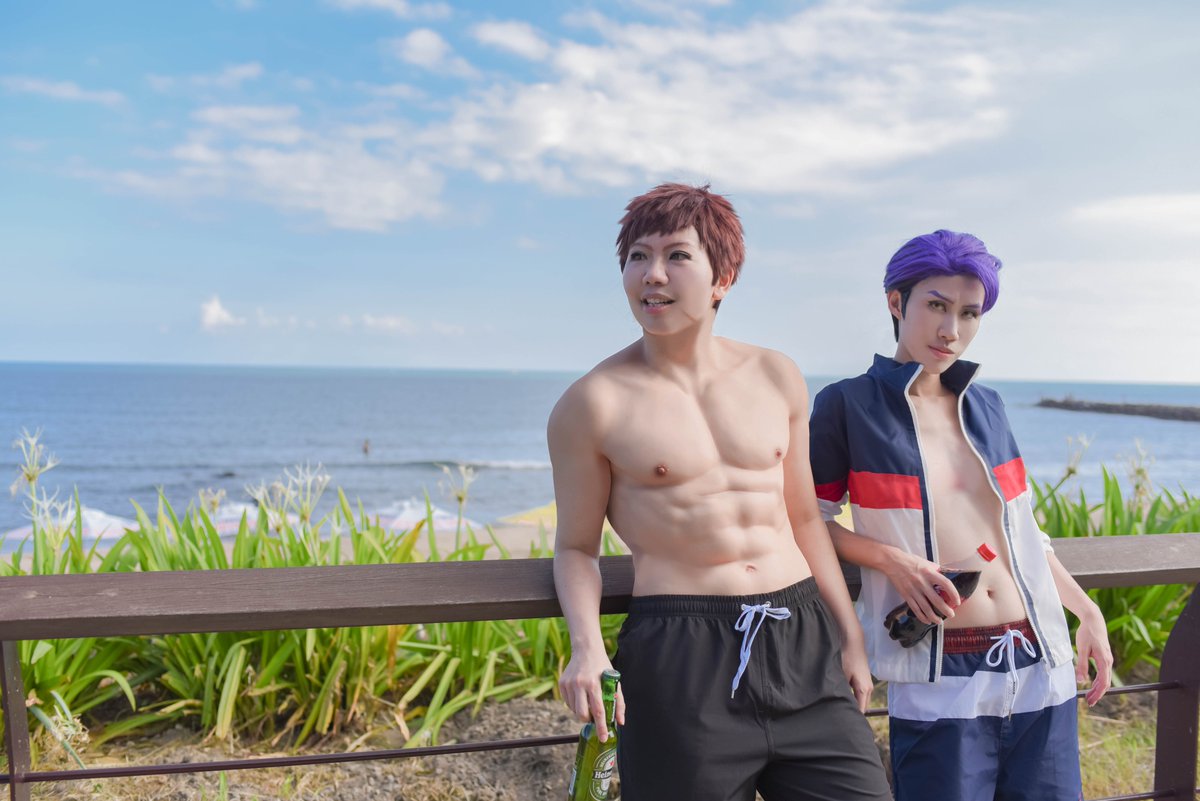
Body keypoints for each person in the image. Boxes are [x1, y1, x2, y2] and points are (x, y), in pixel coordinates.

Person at [550, 183, 891, 801]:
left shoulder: (776, 374)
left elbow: (803, 519)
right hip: (680, 654)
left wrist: (850, 637)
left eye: (677, 255)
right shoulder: (592, 404)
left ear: (722, 278)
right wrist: (587, 649)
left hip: (801, 636)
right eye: (637, 257)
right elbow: (576, 547)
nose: (653, 274)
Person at [809, 230, 1113, 801]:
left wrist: (1086, 609)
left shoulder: (987, 405)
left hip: (1038, 658)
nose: (951, 329)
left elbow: (1023, 531)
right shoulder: (848, 405)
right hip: (939, 666)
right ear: (896, 302)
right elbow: (807, 522)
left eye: (969, 313)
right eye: (936, 306)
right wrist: (892, 561)